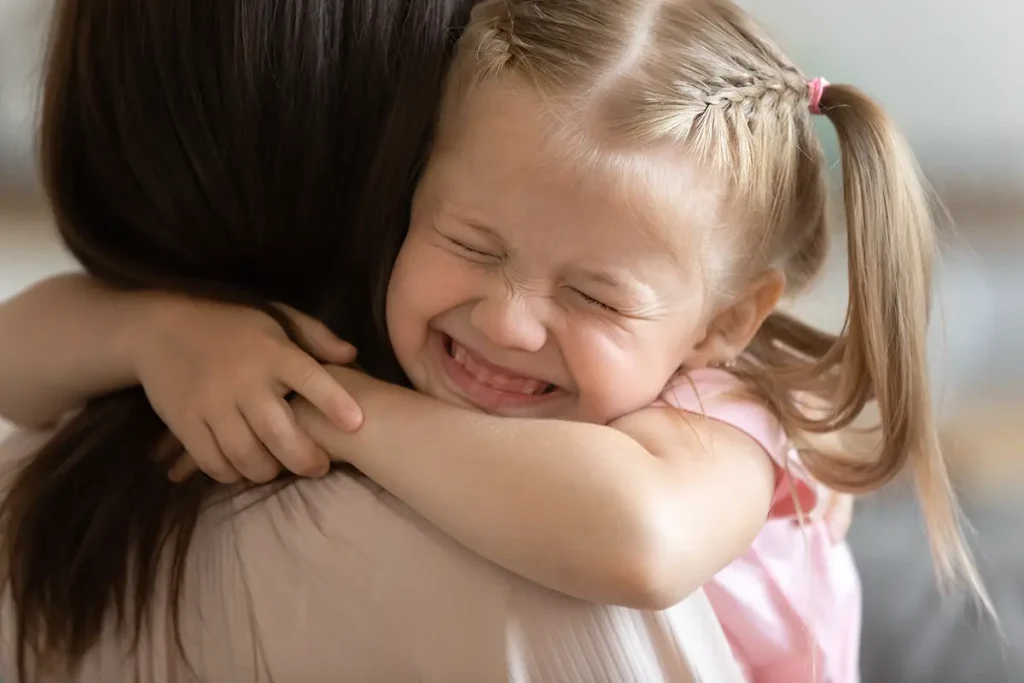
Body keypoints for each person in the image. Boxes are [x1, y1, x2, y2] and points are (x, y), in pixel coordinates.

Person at [1, 1, 992, 681]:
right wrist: (151, 329)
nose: (508, 320)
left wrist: (346, 412)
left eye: (595, 297)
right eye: (469, 243)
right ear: (409, 189)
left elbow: (635, 539)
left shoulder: (713, 428)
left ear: (723, 323)